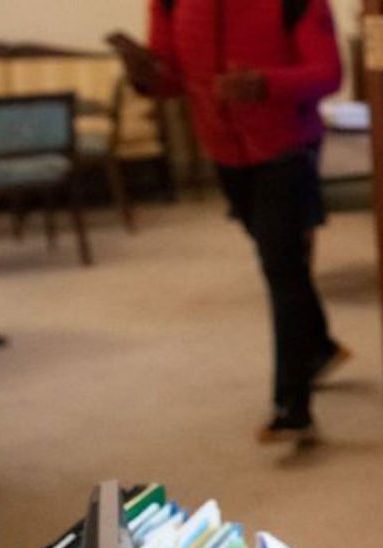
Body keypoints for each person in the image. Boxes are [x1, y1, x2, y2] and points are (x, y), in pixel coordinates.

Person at [114, 0, 347, 444]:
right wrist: (144, 73)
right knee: (282, 262)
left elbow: (328, 74)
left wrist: (263, 84)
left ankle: (292, 407)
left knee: (281, 268)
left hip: (288, 148)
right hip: (223, 150)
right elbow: (172, 78)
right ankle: (318, 347)